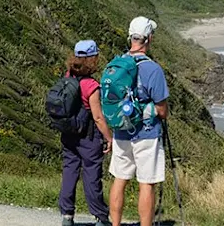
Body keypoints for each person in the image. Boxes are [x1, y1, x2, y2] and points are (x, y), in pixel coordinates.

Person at [108, 17, 169, 226]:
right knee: (146, 183)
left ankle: (115, 224)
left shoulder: (116, 66)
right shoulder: (153, 69)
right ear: (149, 38)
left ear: (130, 37)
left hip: (120, 130)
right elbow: (162, 110)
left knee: (119, 179)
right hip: (147, 133)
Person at [59, 40, 114, 226]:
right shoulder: (91, 85)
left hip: (69, 134)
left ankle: (67, 216)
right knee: (91, 175)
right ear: (92, 59)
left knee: (69, 172)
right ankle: (100, 217)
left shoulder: (67, 77)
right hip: (88, 137)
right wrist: (109, 137)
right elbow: (98, 117)